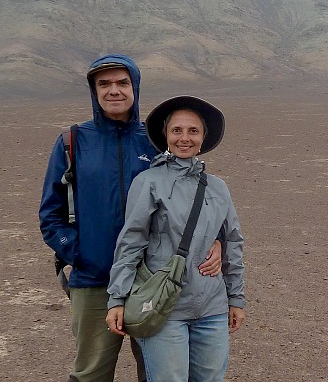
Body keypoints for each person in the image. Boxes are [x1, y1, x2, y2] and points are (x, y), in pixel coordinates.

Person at [39, 55, 222, 382]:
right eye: (104, 84)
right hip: (94, 282)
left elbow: (193, 197)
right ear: (94, 91)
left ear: (135, 87)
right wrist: (80, 254)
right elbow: (50, 214)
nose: (114, 90)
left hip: (153, 282)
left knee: (156, 372)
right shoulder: (73, 141)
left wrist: (216, 240)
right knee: (91, 374)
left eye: (122, 82)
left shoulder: (155, 141)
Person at [106, 95, 246, 382]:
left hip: (212, 307)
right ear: (166, 136)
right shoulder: (149, 182)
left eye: (193, 131)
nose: (185, 138)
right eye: (177, 130)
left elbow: (232, 241)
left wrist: (236, 298)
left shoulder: (217, 187)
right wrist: (117, 298)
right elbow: (131, 242)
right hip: (165, 307)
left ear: (203, 138)